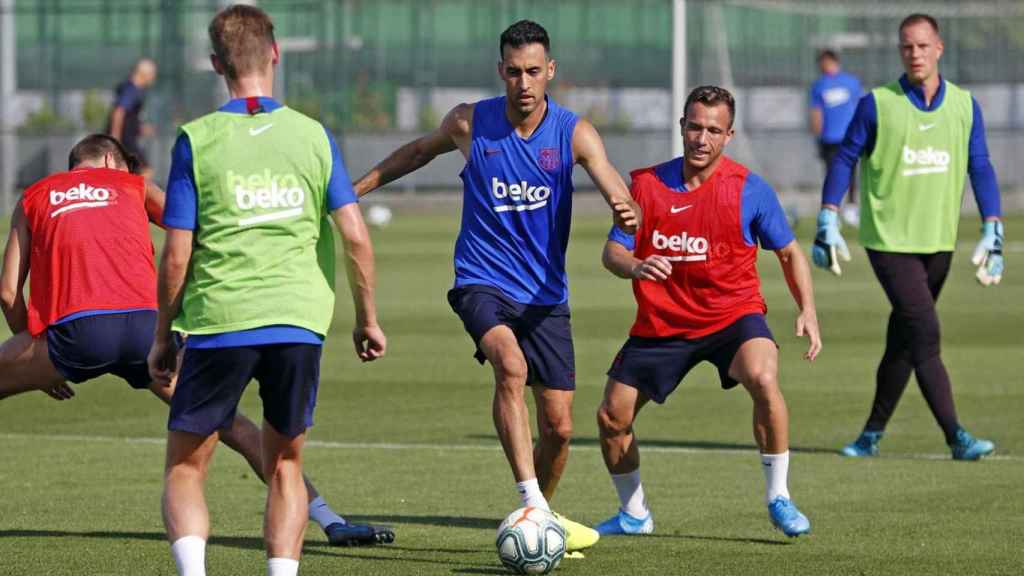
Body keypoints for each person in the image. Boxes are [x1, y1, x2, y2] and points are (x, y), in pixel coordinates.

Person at [0, 134, 390, 549]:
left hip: (74, 334)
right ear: (113, 160)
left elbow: (8, 292)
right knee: (235, 426)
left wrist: (38, 359)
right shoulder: (134, 185)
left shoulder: (35, 196)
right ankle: (331, 521)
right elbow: (197, 232)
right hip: (146, 332)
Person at [353, 19, 637, 555]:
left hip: (546, 297)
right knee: (511, 366)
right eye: (513, 72)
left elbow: (620, 196)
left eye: (534, 71)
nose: (524, 83)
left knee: (558, 429)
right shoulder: (469, 122)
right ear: (500, 72)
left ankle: (541, 520)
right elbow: (416, 152)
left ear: (550, 71)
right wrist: (354, 190)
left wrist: (627, 214)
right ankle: (530, 501)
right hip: (481, 281)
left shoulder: (574, 132)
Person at [147, 6, 385, 576]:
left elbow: (177, 253)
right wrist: (366, 318)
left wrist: (162, 335)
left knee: (186, 468)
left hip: (218, 319)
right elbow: (355, 236)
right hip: (296, 321)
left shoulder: (196, 140)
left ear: (216, 64)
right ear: (275, 53)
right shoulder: (313, 135)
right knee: (285, 465)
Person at [594, 86, 821, 538]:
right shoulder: (644, 186)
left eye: (713, 130)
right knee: (611, 417)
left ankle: (779, 495)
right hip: (663, 325)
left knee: (762, 375)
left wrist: (807, 309)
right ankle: (635, 514)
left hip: (731, 317)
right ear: (681, 126)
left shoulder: (749, 189)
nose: (702, 138)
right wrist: (637, 265)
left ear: (729, 135)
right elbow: (612, 253)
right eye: (694, 126)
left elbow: (790, 252)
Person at [814, 13, 1001, 461]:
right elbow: (845, 158)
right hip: (889, 242)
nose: (914, 54)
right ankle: (956, 436)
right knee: (926, 333)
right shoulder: (877, 103)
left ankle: (870, 435)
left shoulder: (964, 104)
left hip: (938, 242)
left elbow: (981, 165)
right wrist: (828, 216)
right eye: (906, 47)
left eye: (922, 46)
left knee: (904, 339)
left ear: (938, 49)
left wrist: (993, 225)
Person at [809, 49, 862, 227]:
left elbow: (859, 106)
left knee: (852, 172)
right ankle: (832, 211)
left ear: (834, 61)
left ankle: (852, 207)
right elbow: (816, 112)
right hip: (829, 138)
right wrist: (817, 133)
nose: (823, 66)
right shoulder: (819, 85)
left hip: (848, 136)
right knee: (831, 174)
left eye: (826, 62)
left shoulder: (851, 82)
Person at [106, 58, 158, 177]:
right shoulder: (132, 90)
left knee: (130, 172)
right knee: (145, 170)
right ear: (144, 74)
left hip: (127, 139)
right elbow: (119, 111)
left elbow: (128, 118)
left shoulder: (133, 89)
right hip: (124, 141)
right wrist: (115, 139)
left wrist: (139, 128)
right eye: (152, 74)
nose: (153, 78)